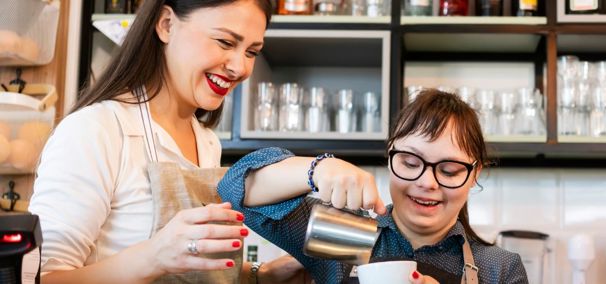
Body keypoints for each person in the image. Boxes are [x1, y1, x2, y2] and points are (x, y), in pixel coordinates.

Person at [29, 0, 307, 283]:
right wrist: (153, 257)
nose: (240, 67)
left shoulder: (206, 141)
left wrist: (262, 275)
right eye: (225, 42)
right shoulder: (95, 130)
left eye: (251, 52)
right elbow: (40, 278)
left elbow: (192, 268)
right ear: (166, 25)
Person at [218, 89, 529, 283]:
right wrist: (316, 169)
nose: (427, 182)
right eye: (410, 162)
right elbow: (232, 187)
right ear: (389, 156)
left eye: (449, 170)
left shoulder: (499, 269)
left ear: (474, 174)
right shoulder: (344, 236)